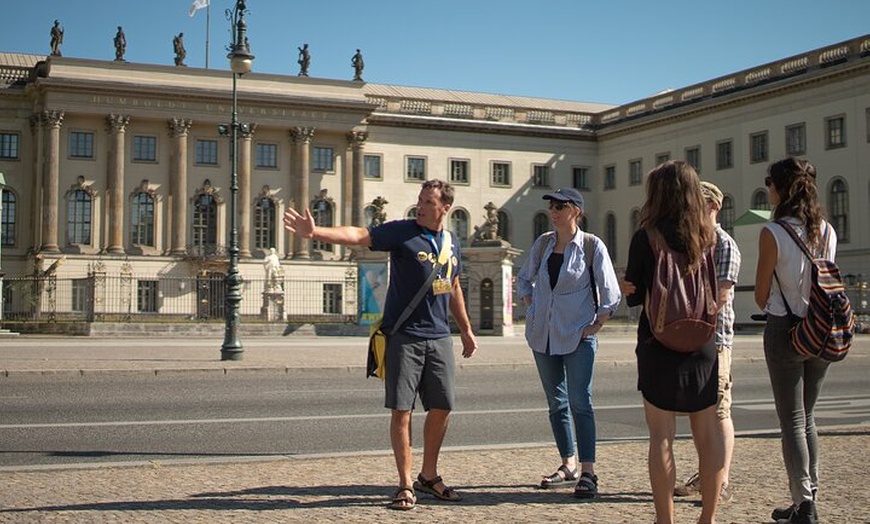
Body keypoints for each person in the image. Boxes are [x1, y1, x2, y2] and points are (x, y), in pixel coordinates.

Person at [283, 179, 477, 511]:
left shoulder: (451, 242)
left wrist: (467, 331)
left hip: (439, 337)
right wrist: (317, 233)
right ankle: (404, 484)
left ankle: (428, 476)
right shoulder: (402, 232)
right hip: (404, 337)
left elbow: (453, 286)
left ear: (445, 208)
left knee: (442, 408)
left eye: (428, 201)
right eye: (419, 199)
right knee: (402, 411)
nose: (421, 205)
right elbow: (360, 235)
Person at [621, 160, 725, 524]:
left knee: (662, 438)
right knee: (708, 435)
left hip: (658, 341)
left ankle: (664, 520)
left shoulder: (646, 237)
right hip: (703, 342)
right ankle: (707, 518)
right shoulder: (708, 235)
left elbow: (634, 296)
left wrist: (627, 286)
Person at [516, 187, 621, 498]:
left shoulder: (592, 246)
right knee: (556, 404)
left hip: (577, 337)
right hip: (542, 336)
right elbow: (524, 277)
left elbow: (610, 292)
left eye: (560, 206)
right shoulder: (544, 243)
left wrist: (597, 324)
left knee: (580, 403)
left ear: (576, 210)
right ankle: (568, 464)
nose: (554, 211)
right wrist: (530, 304)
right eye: (552, 206)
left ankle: (588, 472)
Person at [754, 157, 835, 524]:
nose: (766, 187)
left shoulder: (773, 232)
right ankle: (809, 497)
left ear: (781, 189)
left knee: (792, 421)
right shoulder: (827, 231)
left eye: (769, 181)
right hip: (821, 329)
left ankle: (803, 504)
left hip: (785, 330)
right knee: (808, 418)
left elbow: (759, 294)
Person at [673, 181, 741, 504]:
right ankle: (707, 474)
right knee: (701, 412)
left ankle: (722, 480)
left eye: (695, 205)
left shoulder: (724, 245)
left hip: (716, 340)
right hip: (693, 339)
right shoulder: (692, 245)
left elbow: (722, 294)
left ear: (713, 207)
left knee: (719, 411)